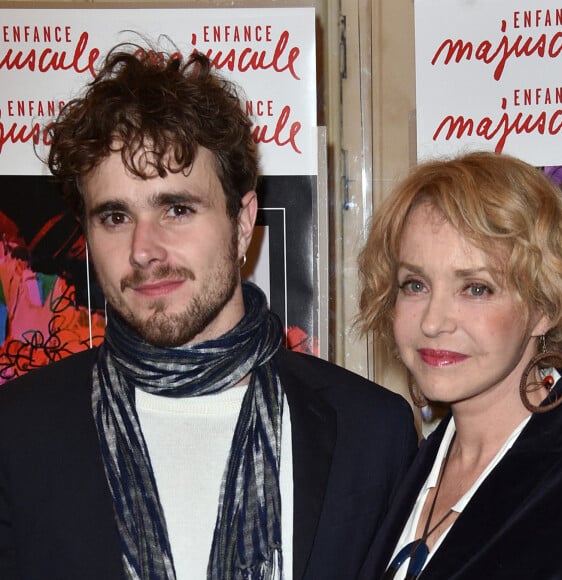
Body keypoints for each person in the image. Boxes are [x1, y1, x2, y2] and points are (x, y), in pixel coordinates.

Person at [0, 43, 417, 580]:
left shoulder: (370, 433)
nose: (143, 250)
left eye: (176, 208)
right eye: (114, 216)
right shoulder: (18, 433)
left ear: (243, 223)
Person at [356, 151, 562, 579]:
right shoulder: (403, 461)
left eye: (475, 288)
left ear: (544, 306)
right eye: (415, 284)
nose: (434, 321)